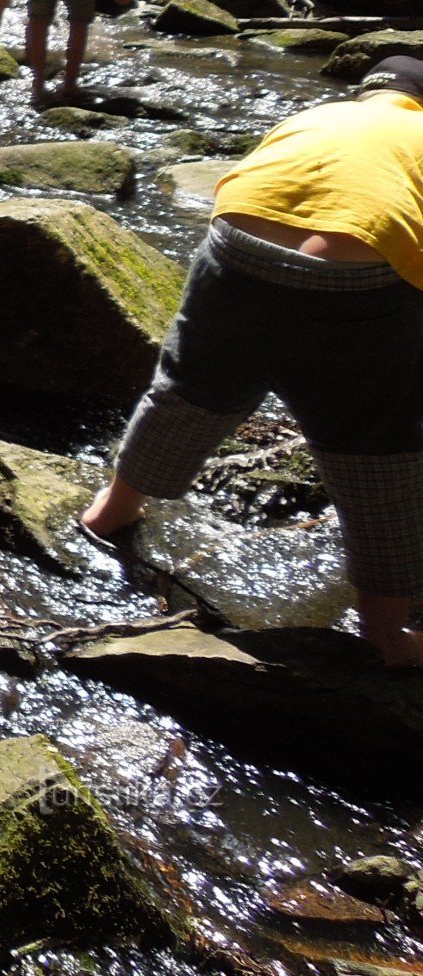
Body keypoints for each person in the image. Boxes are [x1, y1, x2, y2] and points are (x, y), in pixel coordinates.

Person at [81, 57, 423, 667]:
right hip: (354, 278)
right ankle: (385, 631)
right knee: (375, 446)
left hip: (234, 248)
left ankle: (110, 514)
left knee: (190, 390)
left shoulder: (320, 115)